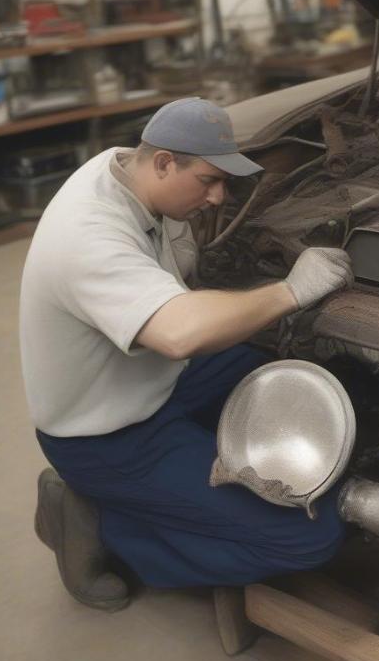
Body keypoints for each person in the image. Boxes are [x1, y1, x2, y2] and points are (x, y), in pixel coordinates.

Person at [20, 97, 353, 611]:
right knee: (310, 537)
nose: (219, 198)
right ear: (163, 163)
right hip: (107, 436)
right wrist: (290, 291)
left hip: (154, 379)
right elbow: (178, 335)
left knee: (286, 374)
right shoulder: (85, 234)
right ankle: (100, 525)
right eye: (209, 181)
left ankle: (172, 491)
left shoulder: (123, 168)